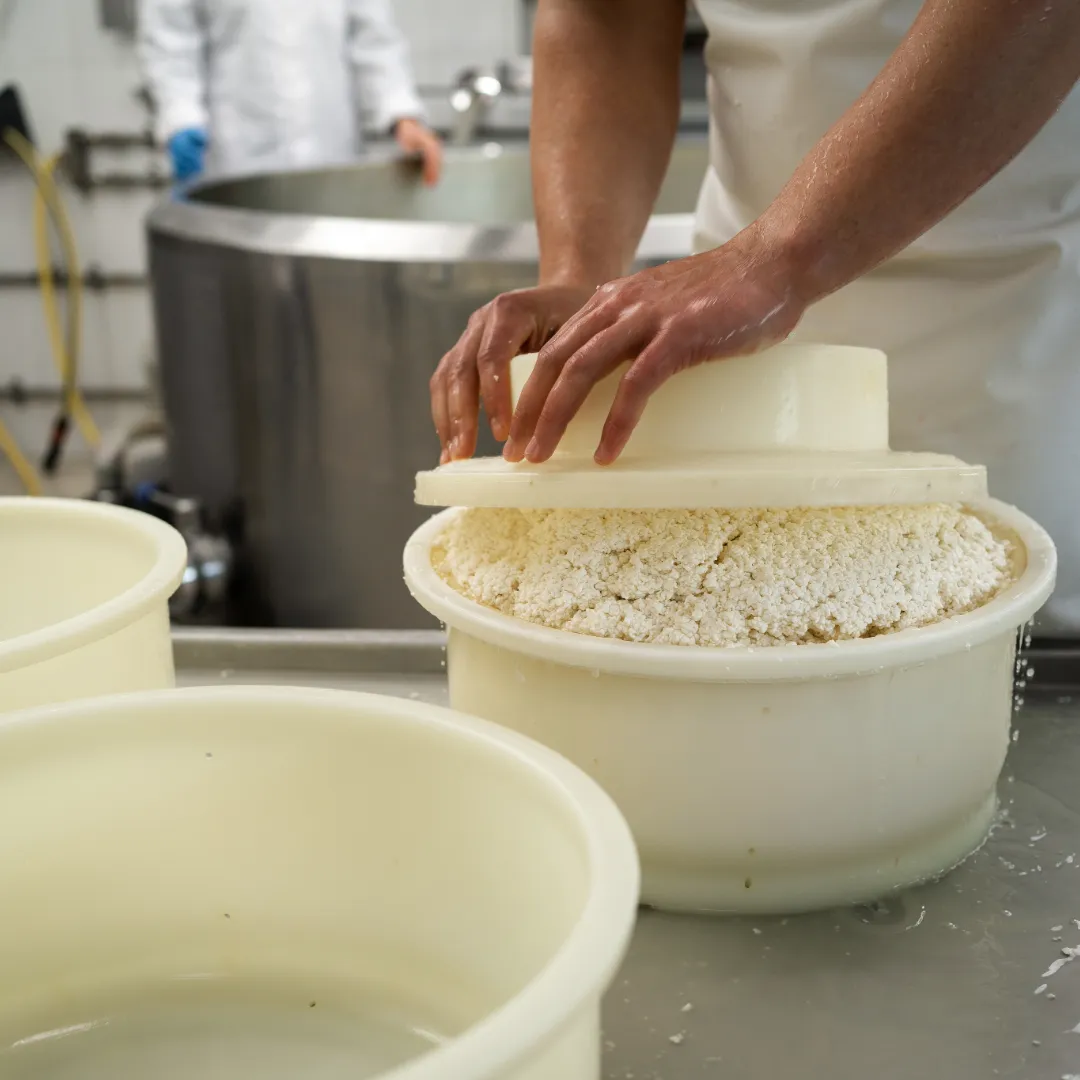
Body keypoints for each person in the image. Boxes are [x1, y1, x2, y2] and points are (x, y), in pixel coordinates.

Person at [430, 0, 1080, 634]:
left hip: (1016, 303)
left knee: (999, 630)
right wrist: (579, 276)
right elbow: (606, 13)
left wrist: (780, 261)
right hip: (722, 322)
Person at [138, 0, 442, 185]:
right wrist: (180, 116)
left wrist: (402, 116)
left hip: (330, 153)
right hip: (235, 154)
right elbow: (171, 40)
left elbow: (373, 36)